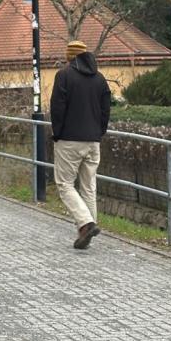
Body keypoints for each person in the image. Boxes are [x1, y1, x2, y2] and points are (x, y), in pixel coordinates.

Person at [50, 40, 111, 250]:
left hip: (69, 140)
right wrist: (99, 133)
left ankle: (86, 224)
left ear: (70, 57)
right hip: (93, 141)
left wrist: (57, 134)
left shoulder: (64, 76)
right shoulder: (100, 79)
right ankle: (87, 230)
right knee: (88, 186)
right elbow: (105, 112)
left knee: (65, 184)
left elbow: (57, 108)